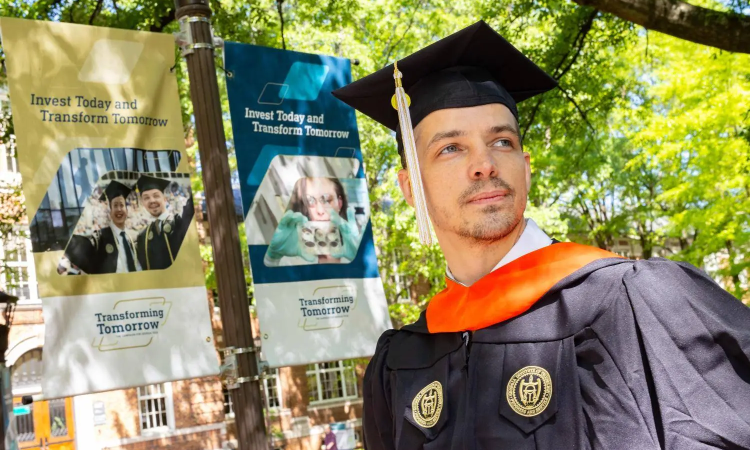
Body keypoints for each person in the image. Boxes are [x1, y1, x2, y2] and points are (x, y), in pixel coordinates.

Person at [332, 21, 750, 449]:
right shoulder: (400, 362)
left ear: (526, 169)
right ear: (410, 188)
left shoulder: (630, 302)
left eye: (501, 142)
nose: (484, 164)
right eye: (451, 148)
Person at [264, 177, 360, 265]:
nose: (320, 211)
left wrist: (360, 259)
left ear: (339, 203)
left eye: (326, 200)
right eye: (310, 201)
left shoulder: (356, 251)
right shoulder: (291, 258)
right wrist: (272, 259)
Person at [135, 175, 194, 270]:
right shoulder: (143, 237)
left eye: (156, 195)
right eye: (146, 198)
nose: (152, 201)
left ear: (165, 198)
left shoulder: (180, 224)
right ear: (143, 203)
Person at [90, 180, 141, 274]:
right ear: (110, 212)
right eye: (115, 205)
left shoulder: (132, 237)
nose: (119, 209)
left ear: (127, 210)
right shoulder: (100, 238)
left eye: (122, 205)